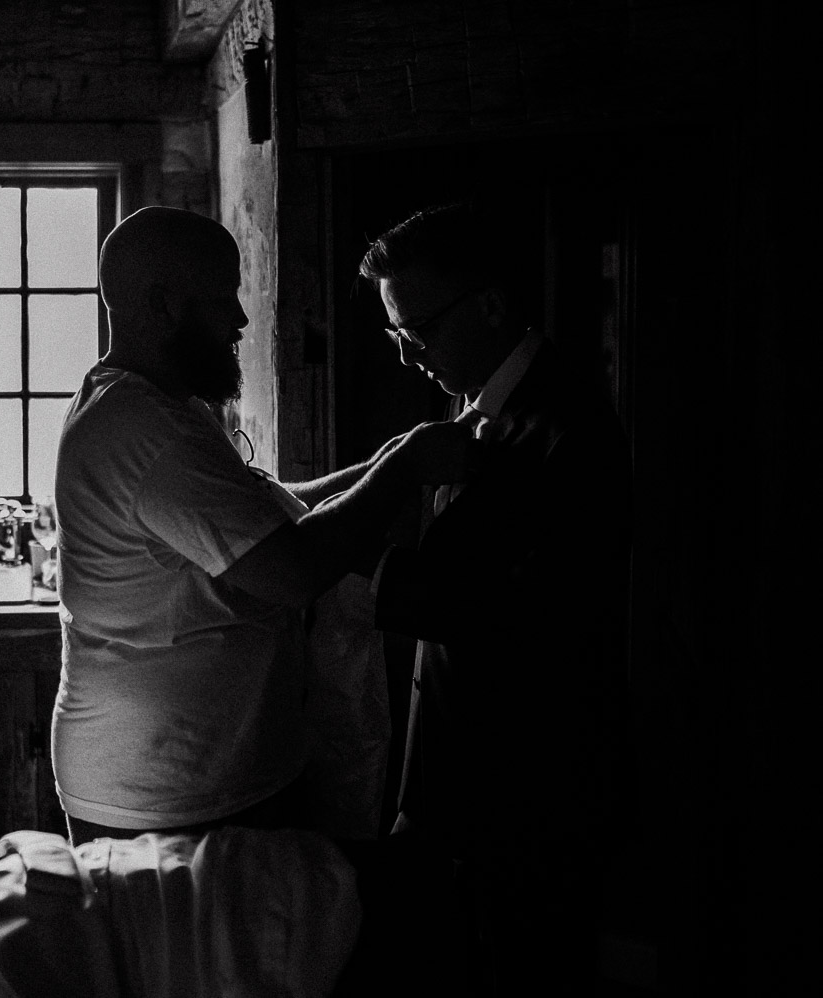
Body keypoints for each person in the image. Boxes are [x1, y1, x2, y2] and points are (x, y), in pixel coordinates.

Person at [50, 205, 475, 847]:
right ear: (162, 305)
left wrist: (392, 456)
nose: (241, 320)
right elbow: (293, 570)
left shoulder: (163, 405)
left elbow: (273, 508)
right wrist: (405, 471)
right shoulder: (147, 433)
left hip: (192, 779)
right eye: (224, 298)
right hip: (170, 795)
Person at [349, 202, 634, 996]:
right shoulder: (469, 403)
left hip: (527, 800)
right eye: (395, 336)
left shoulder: (569, 431)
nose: (408, 357)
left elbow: (525, 622)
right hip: (453, 793)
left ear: (492, 306)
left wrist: (347, 557)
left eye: (420, 331)